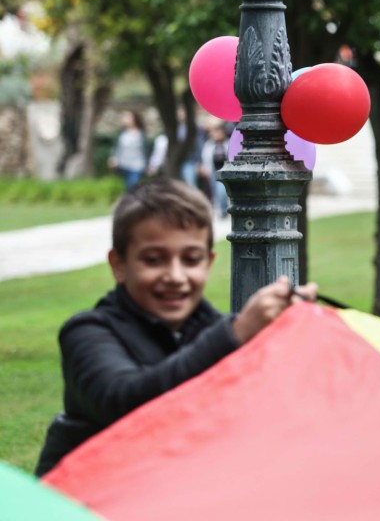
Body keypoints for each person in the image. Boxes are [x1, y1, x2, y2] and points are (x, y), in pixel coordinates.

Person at [35, 178, 318, 476]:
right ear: (119, 265)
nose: (175, 276)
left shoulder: (212, 331)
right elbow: (126, 404)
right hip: (86, 508)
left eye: (191, 259)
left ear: (208, 263)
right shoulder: (87, 333)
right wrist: (235, 334)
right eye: (154, 260)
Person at [108, 110, 148, 191]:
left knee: (132, 186)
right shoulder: (122, 133)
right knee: (127, 187)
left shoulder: (141, 134)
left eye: (128, 117)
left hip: (137, 165)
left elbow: (145, 150)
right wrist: (114, 158)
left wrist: (149, 164)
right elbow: (117, 148)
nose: (125, 119)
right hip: (124, 164)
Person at [199, 120, 230, 219]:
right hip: (214, 171)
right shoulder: (208, 145)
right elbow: (205, 158)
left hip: (225, 171)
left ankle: (224, 209)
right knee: (216, 191)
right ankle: (221, 210)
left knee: (222, 190)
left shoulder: (228, 143)